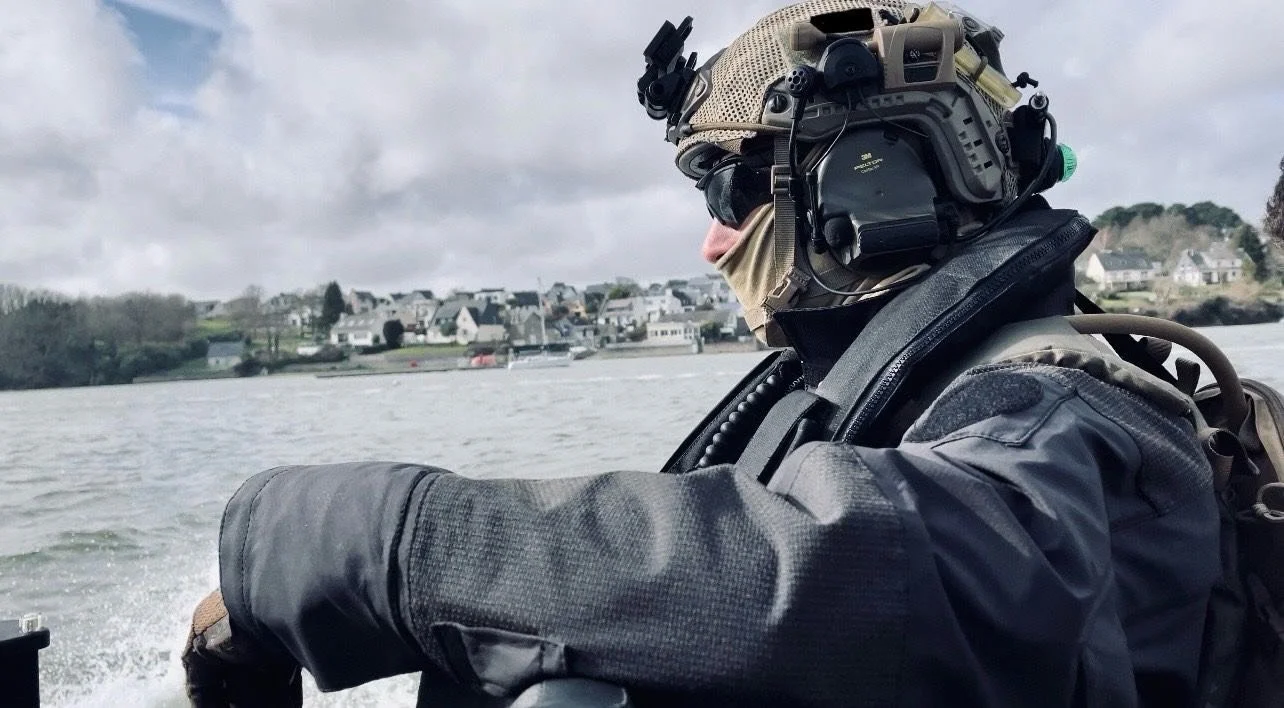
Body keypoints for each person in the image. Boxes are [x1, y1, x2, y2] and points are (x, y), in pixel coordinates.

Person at [181, 2, 1226, 706]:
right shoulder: (917, 392)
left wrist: (392, 543)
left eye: (727, 191)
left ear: (873, 181)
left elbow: (899, 577)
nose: (712, 241)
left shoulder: (1062, 419)